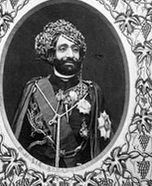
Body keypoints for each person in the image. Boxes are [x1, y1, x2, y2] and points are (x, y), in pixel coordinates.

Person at [12, 20, 112, 168]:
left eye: (75, 49)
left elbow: (103, 143)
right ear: (52, 54)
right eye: (63, 48)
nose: (70, 55)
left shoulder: (92, 92)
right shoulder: (34, 89)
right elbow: (18, 143)